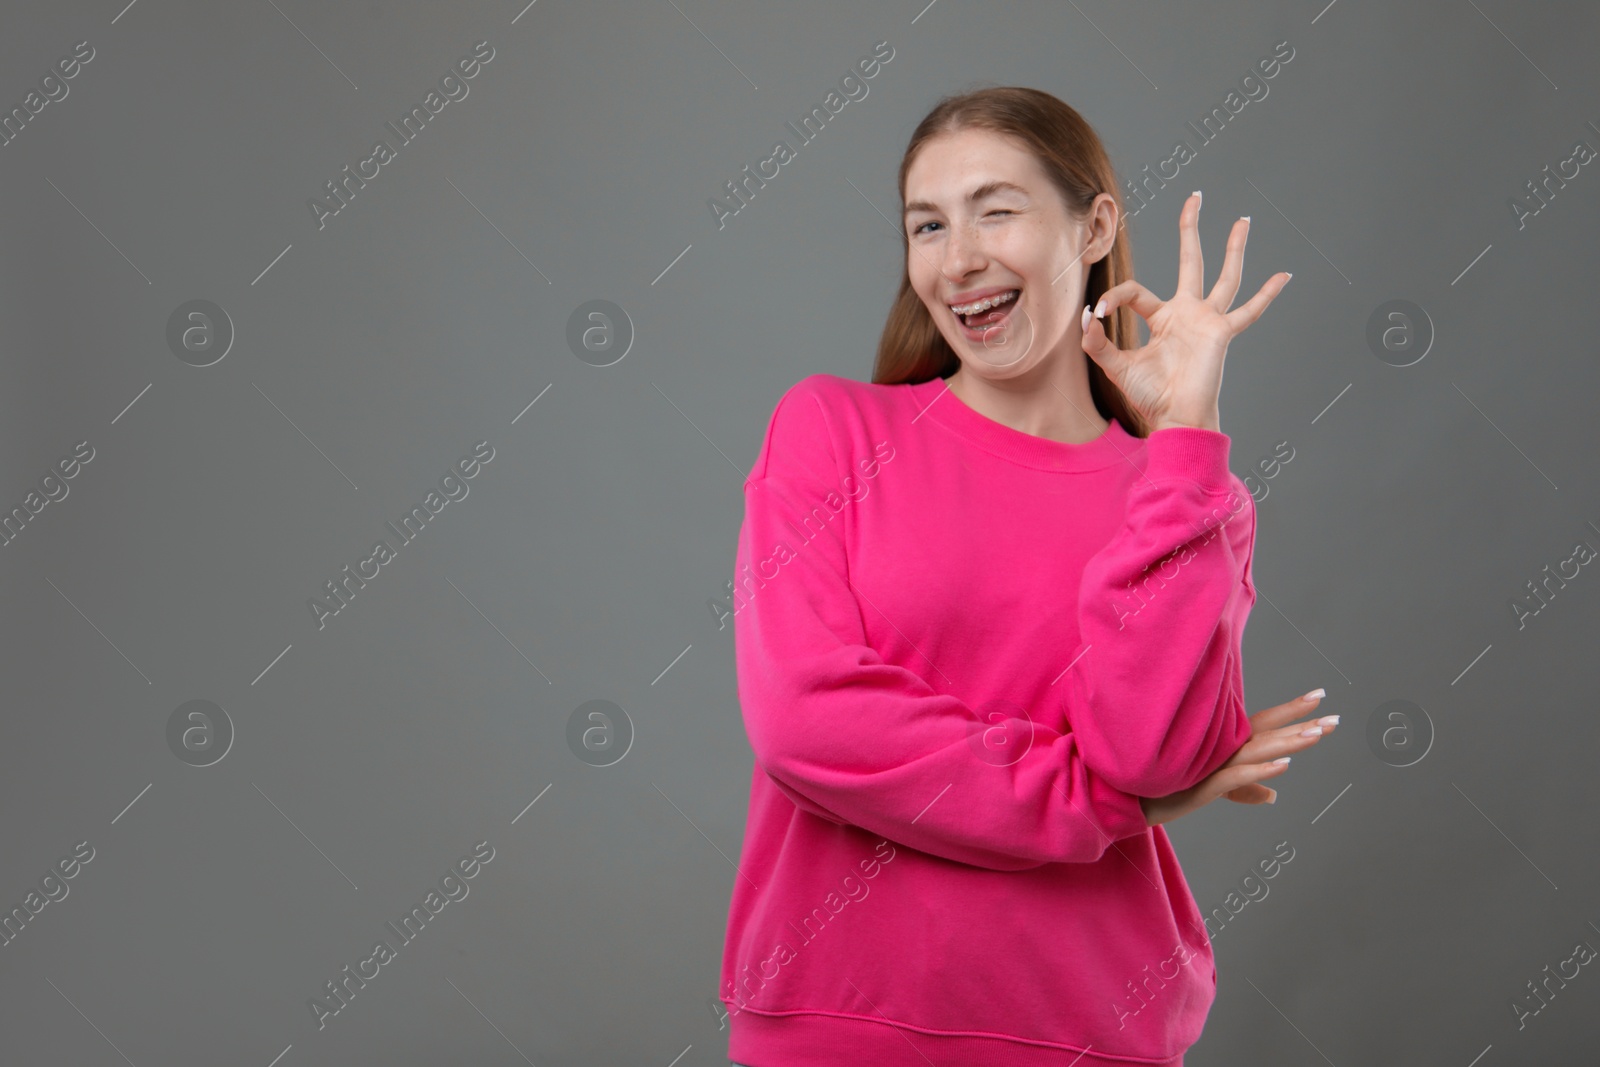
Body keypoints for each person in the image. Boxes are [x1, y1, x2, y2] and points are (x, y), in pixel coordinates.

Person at [720, 85, 1336, 1067]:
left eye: (995, 209)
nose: (957, 257)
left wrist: (1183, 437)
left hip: (1090, 1023)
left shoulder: (1180, 492)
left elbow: (1150, 755)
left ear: (1092, 226)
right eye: (927, 224)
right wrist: (1096, 804)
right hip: (842, 1018)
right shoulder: (834, 431)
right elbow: (806, 715)